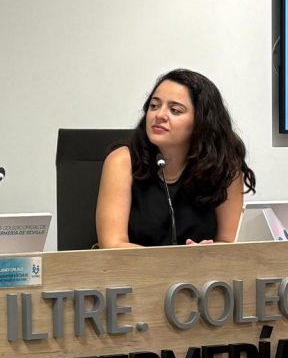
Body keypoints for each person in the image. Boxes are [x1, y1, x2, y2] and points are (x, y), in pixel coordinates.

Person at [96, 68, 255, 248]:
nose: (159, 115)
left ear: (201, 121)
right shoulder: (122, 161)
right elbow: (112, 245)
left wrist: (208, 252)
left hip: (202, 267)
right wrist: (179, 260)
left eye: (175, 110)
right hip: (134, 267)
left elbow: (228, 243)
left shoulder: (225, 167)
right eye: (154, 106)